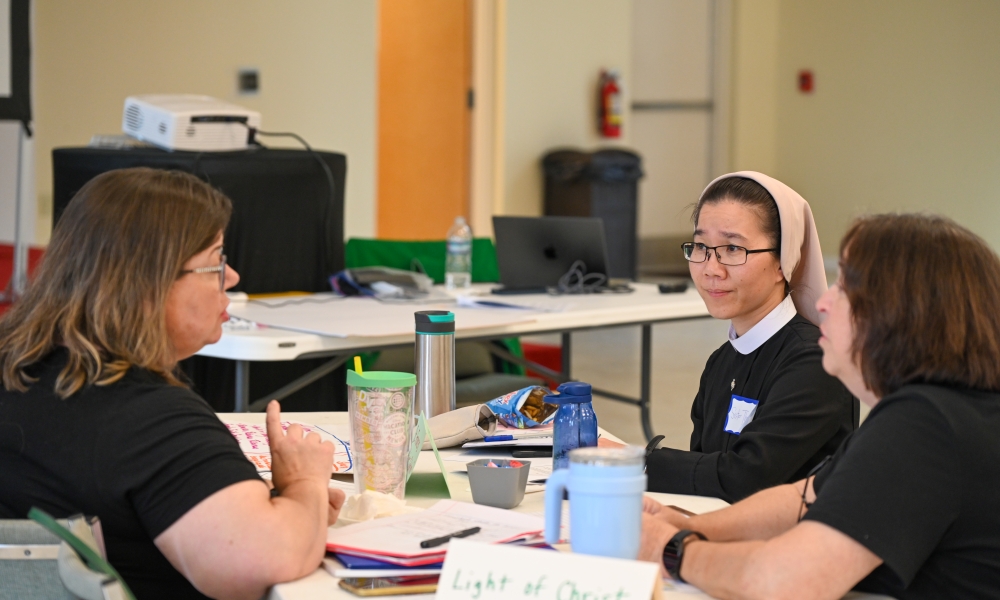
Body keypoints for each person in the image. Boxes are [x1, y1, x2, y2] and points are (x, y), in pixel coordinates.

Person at [0, 168, 345, 600]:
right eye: (216, 260)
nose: (233, 276)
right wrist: (304, 483)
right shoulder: (144, 418)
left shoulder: (18, 368)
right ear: (151, 283)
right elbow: (265, 559)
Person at [640, 213, 1000, 599]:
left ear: (902, 312)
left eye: (844, 287)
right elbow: (803, 497)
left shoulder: (924, 425)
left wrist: (671, 548)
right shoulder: (949, 409)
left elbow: (783, 582)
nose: (824, 300)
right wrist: (693, 524)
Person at [644, 172, 856, 502]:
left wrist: (631, 462)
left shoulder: (814, 362)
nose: (711, 268)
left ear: (782, 262)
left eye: (732, 248)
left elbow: (745, 478)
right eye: (701, 246)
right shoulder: (721, 361)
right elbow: (703, 477)